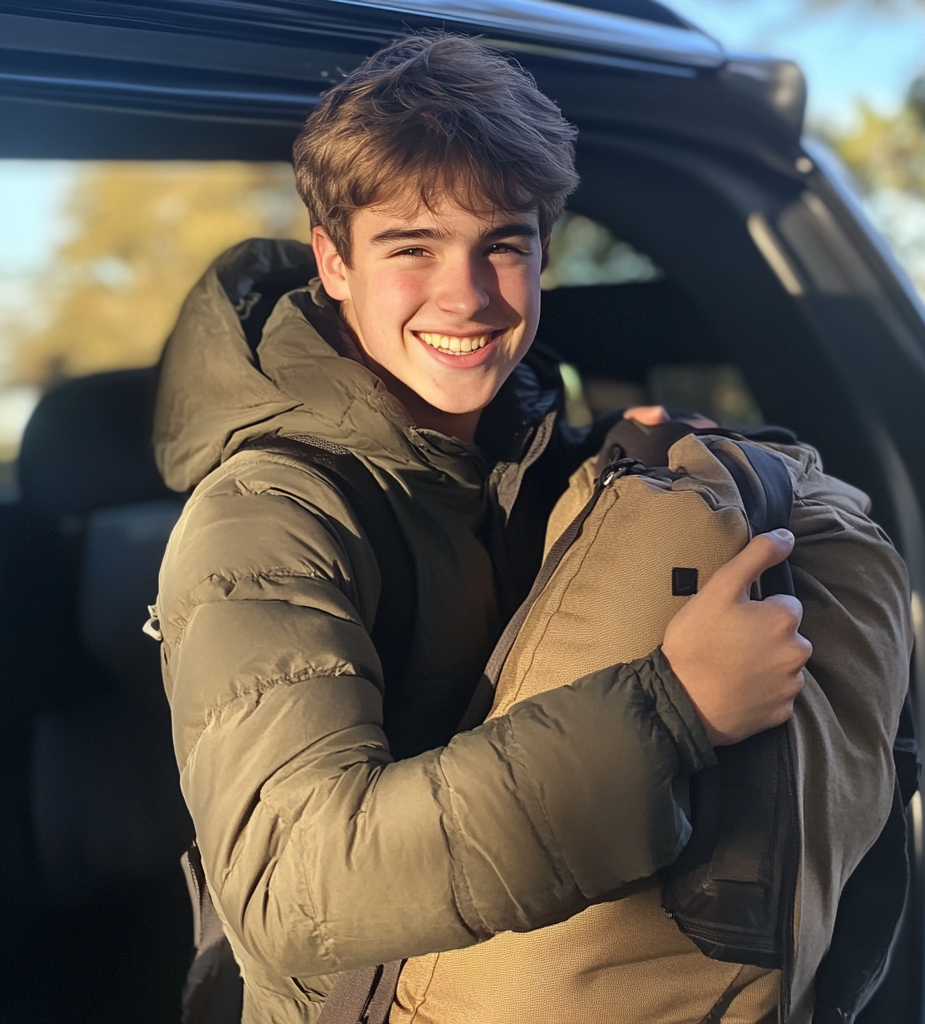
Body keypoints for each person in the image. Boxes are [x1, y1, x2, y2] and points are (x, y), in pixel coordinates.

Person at [153, 32, 811, 1024]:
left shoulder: (524, 452)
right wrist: (675, 710)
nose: (465, 295)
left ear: (545, 249)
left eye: (502, 244)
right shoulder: (265, 521)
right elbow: (297, 887)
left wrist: (639, 460)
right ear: (333, 260)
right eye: (410, 248)